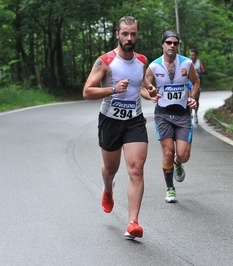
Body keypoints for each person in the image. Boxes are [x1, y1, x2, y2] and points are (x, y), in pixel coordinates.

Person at [83, 16, 156, 238]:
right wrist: (113, 90)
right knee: (110, 169)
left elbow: (141, 86)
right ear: (117, 34)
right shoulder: (104, 61)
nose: (129, 38)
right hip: (110, 121)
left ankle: (133, 222)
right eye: (125, 33)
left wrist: (149, 92)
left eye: (133, 33)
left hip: (134, 120)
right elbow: (87, 91)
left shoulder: (141, 60)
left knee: (136, 169)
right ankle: (108, 188)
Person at [142, 30, 200, 203]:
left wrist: (192, 98)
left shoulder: (187, 63)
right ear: (163, 44)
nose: (172, 45)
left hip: (182, 114)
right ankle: (170, 189)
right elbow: (142, 86)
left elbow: (196, 82)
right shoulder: (154, 66)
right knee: (167, 152)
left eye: (175, 43)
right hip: (163, 115)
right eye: (169, 42)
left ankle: (178, 162)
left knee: (183, 155)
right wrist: (150, 95)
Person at [189, 48, 207, 123]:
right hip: (189, 83)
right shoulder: (187, 62)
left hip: (197, 83)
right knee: (189, 99)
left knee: (196, 99)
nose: (191, 56)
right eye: (190, 55)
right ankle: (190, 115)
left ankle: (195, 114)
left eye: (193, 55)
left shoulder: (199, 62)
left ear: (196, 55)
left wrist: (198, 71)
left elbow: (204, 71)